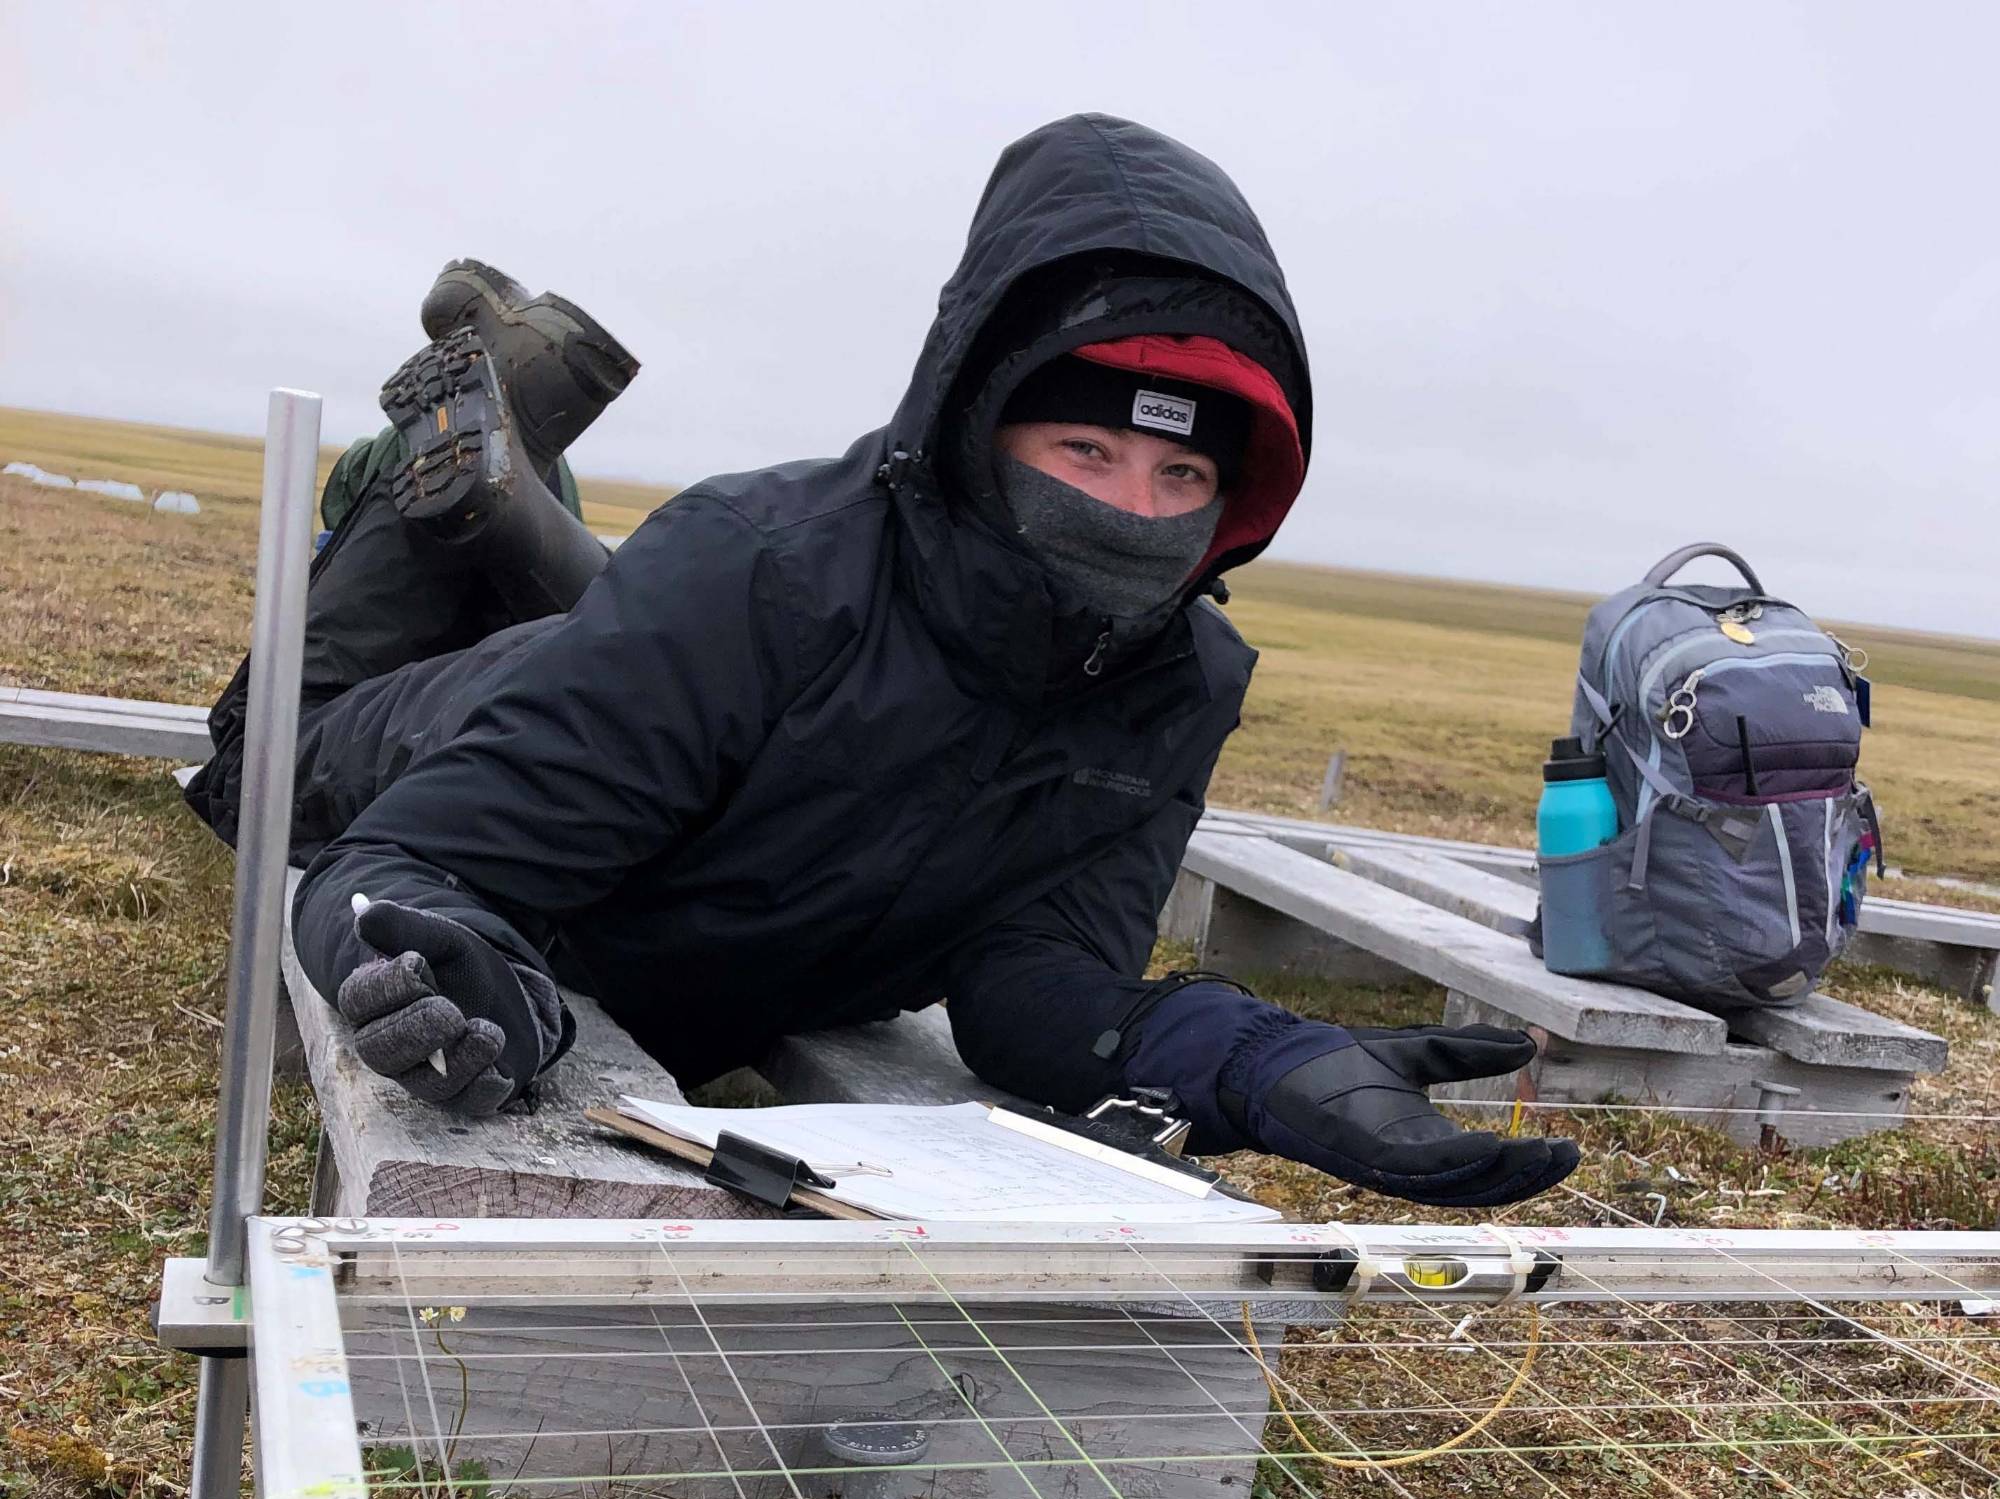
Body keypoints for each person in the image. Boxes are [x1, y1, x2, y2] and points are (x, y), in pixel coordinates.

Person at [185, 114, 1576, 1208]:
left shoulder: (1178, 683)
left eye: (1180, 472)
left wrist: (1261, 1064)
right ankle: (462, 474)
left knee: (702, 647)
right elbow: (399, 868)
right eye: (1085, 451)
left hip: (674, 686)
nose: (1129, 512)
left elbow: (1041, 984)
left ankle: (516, 488)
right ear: (980, 419)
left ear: (1239, 495)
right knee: (262, 761)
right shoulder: (756, 564)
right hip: (459, 722)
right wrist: (454, 969)